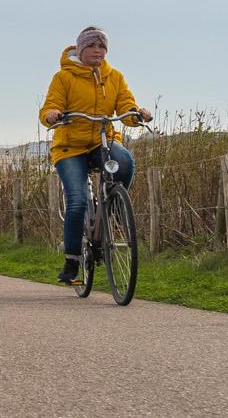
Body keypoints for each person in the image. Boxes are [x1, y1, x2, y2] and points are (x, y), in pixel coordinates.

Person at [40, 26, 152, 285]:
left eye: (102, 47)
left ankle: (111, 209)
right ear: (81, 49)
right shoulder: (63, 77)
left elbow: (125, 104)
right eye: (93, 47)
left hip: (103, 139)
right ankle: (72, 261)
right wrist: (52, 115)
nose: (98, 52)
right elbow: (50, 105)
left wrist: (136, 113)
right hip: (70, 146)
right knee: (77, 202)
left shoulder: (114, 77)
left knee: (124, 161)